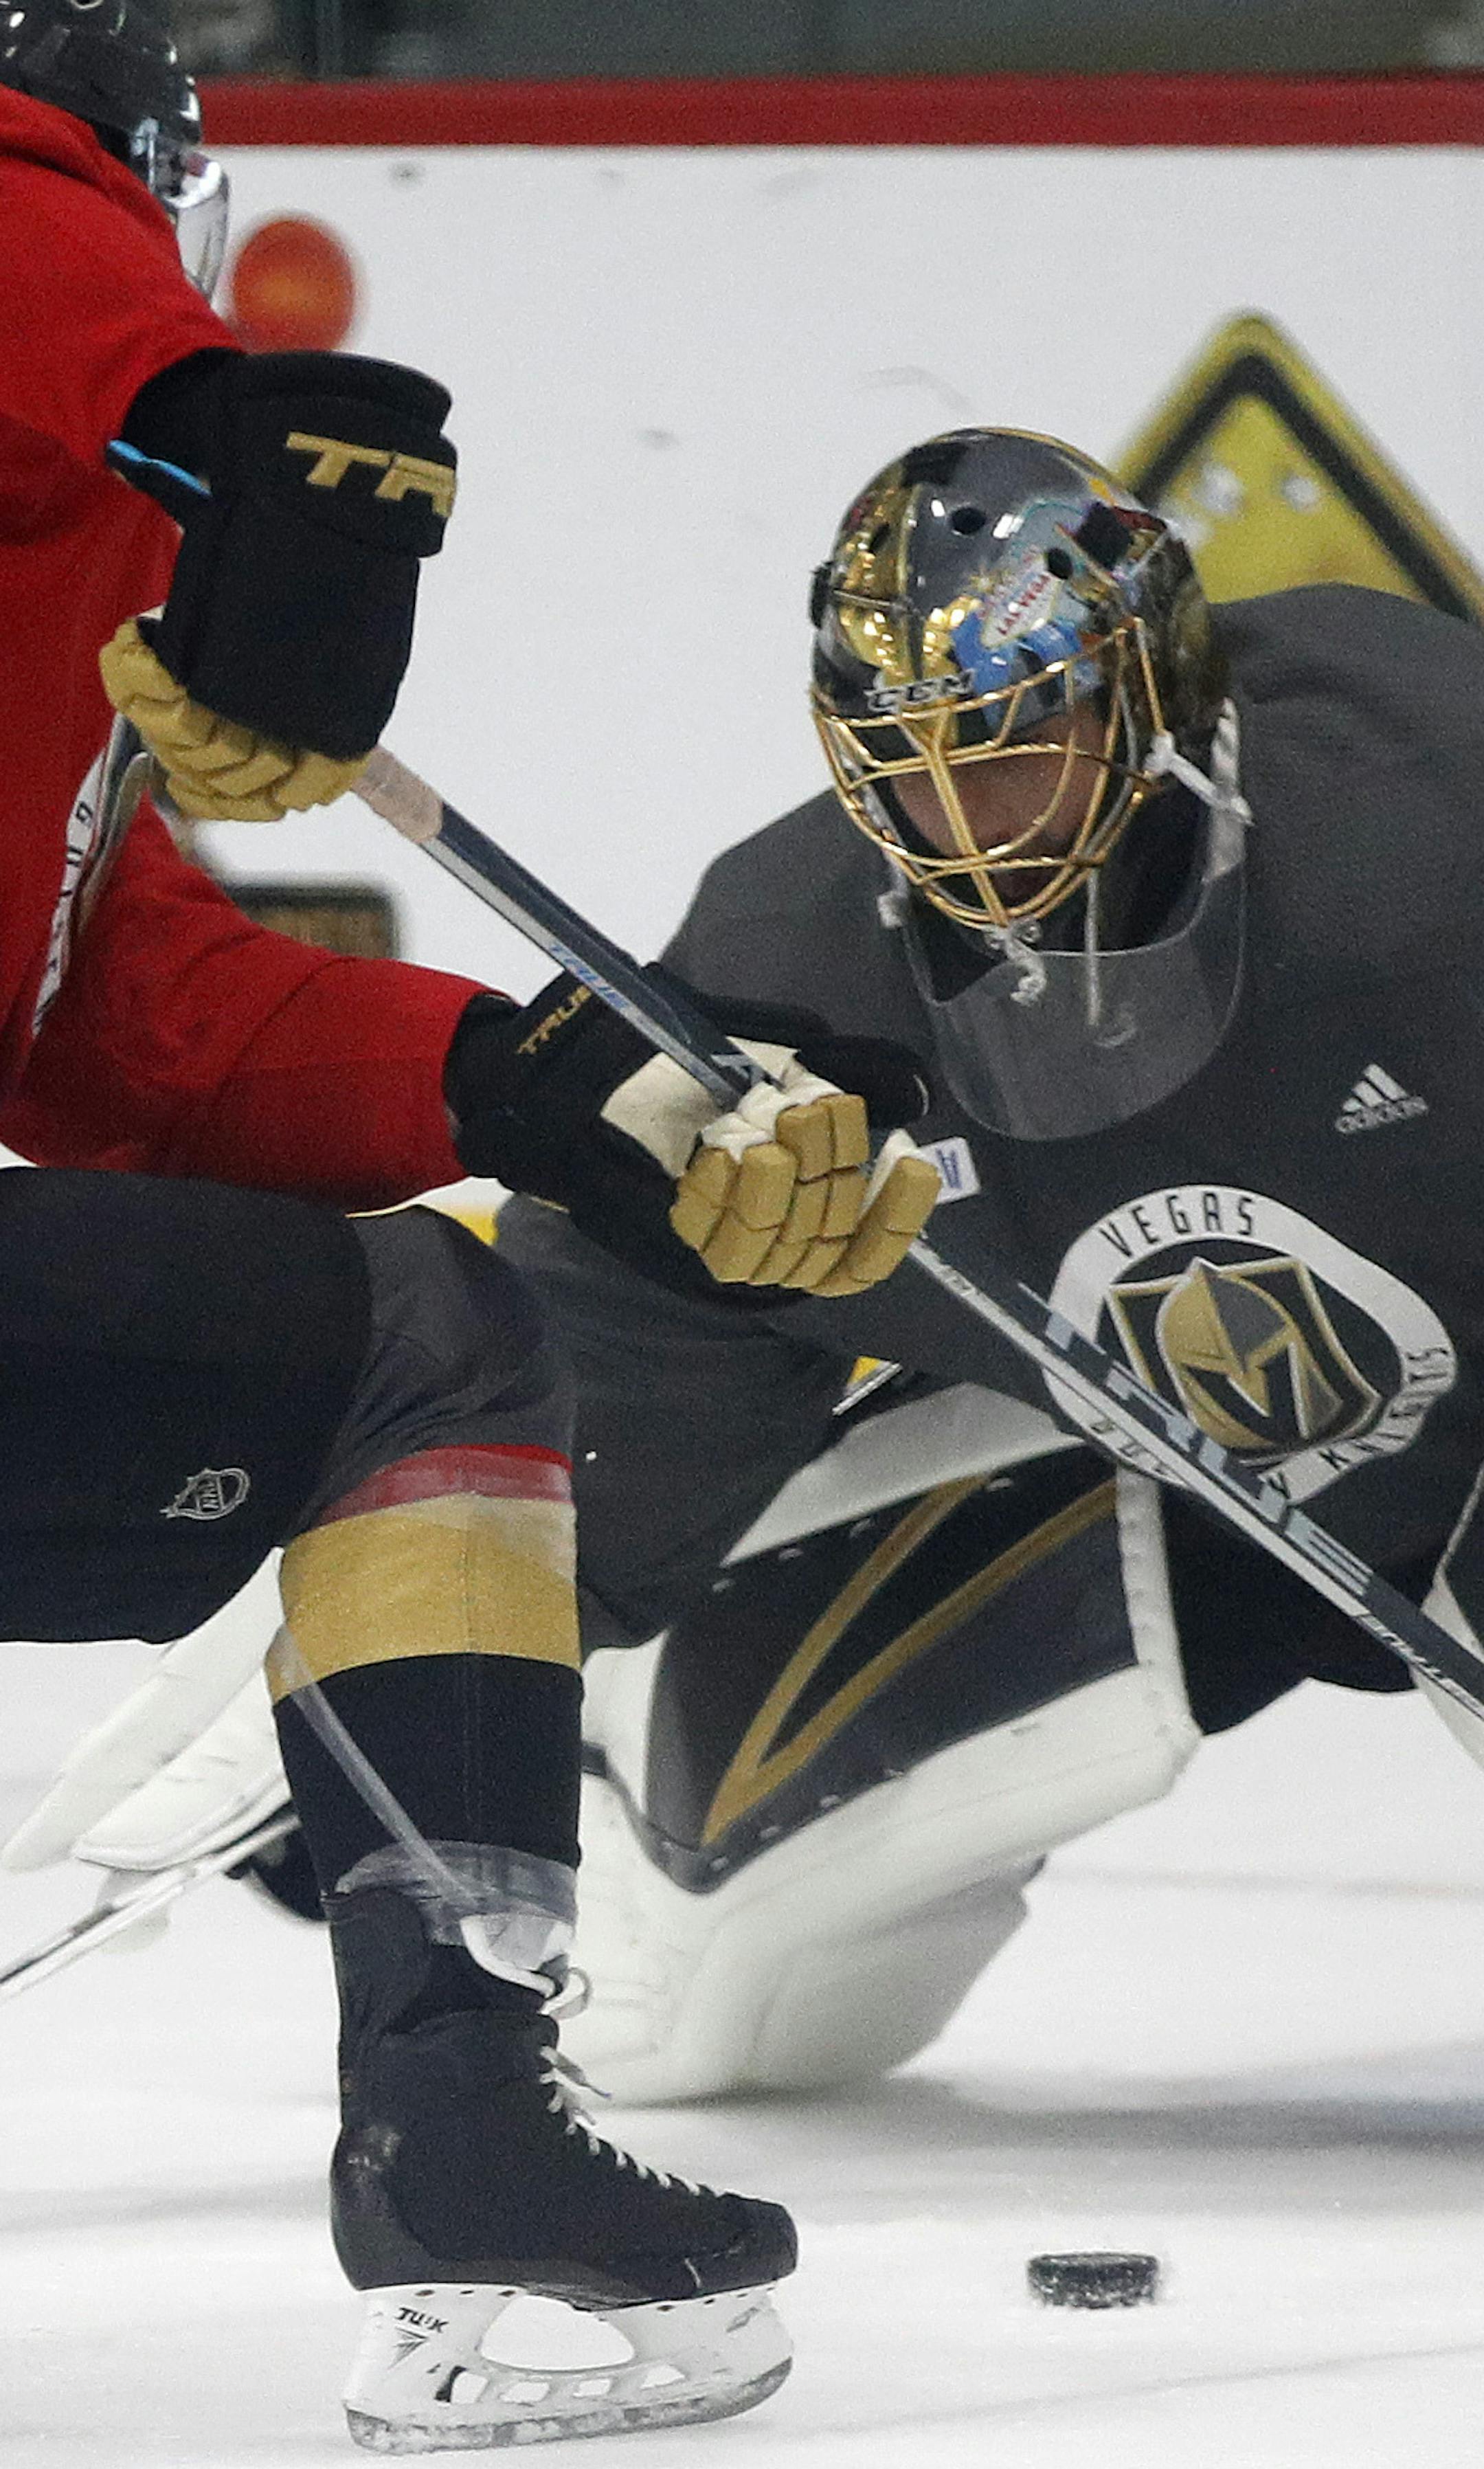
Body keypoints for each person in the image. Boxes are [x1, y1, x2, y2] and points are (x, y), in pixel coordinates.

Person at [0, 1, 941, 2447]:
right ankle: (459, 2131)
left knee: (422, 1297)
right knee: (435, 1344)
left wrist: (555, 1086)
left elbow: (121, 1030)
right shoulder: (58, 272)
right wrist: (214, 420)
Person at [491, 424, 1484, 2104]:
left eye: (1009, 747)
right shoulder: (789, 977)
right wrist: (484, 1621)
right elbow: (633, 1311)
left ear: (1150, 692)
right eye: (907, 762)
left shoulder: (1438, 809)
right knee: (719, 2020)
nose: (958, 821)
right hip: (1144, 1483)